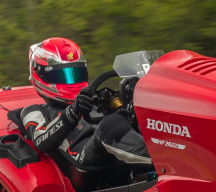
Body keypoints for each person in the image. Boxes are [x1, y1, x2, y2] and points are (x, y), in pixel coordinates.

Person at [20, 38, 150, 169]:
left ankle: (164, 149)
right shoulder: (33, 111)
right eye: (63, 75)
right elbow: (41, 140)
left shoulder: (91, 99)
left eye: (77, 74)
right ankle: (158, 159)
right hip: (80, 160)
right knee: (110, 124)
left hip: (110, 152)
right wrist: (72, 112)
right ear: (41, 75)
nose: (72, 82)